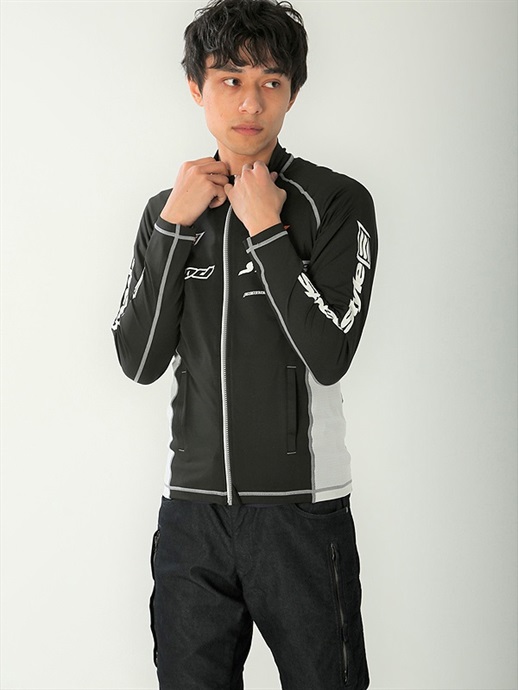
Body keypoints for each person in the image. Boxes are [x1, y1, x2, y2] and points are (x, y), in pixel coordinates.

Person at [112, 0, 377, 687]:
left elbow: (330, 355)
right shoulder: (167, 211)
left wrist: (267, 232)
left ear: (293, 92)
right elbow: (139, 361)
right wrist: (173, 228)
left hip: (300, 513)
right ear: (196, 88)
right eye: (230, 79)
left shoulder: (334, 201)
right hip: (191, 516)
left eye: (270, 82)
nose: (250, 102)